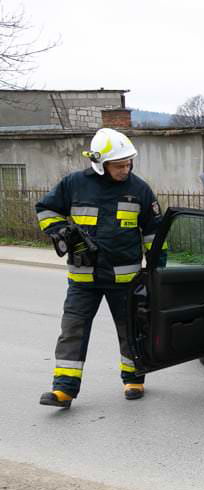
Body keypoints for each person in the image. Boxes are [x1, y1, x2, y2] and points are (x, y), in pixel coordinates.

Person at [35, 128, 162, 407]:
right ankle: (64, 389)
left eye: (128, 163)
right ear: (99, 164)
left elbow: (154, 232)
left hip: (125, 280)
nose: (125, 169)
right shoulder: (74, 184)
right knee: (72, 330)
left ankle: (134, 378)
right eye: (119, 165)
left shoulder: (140, 189)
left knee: (130, 330)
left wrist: (157, 271)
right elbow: (46, 209)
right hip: (83, 278)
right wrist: (62, 233)